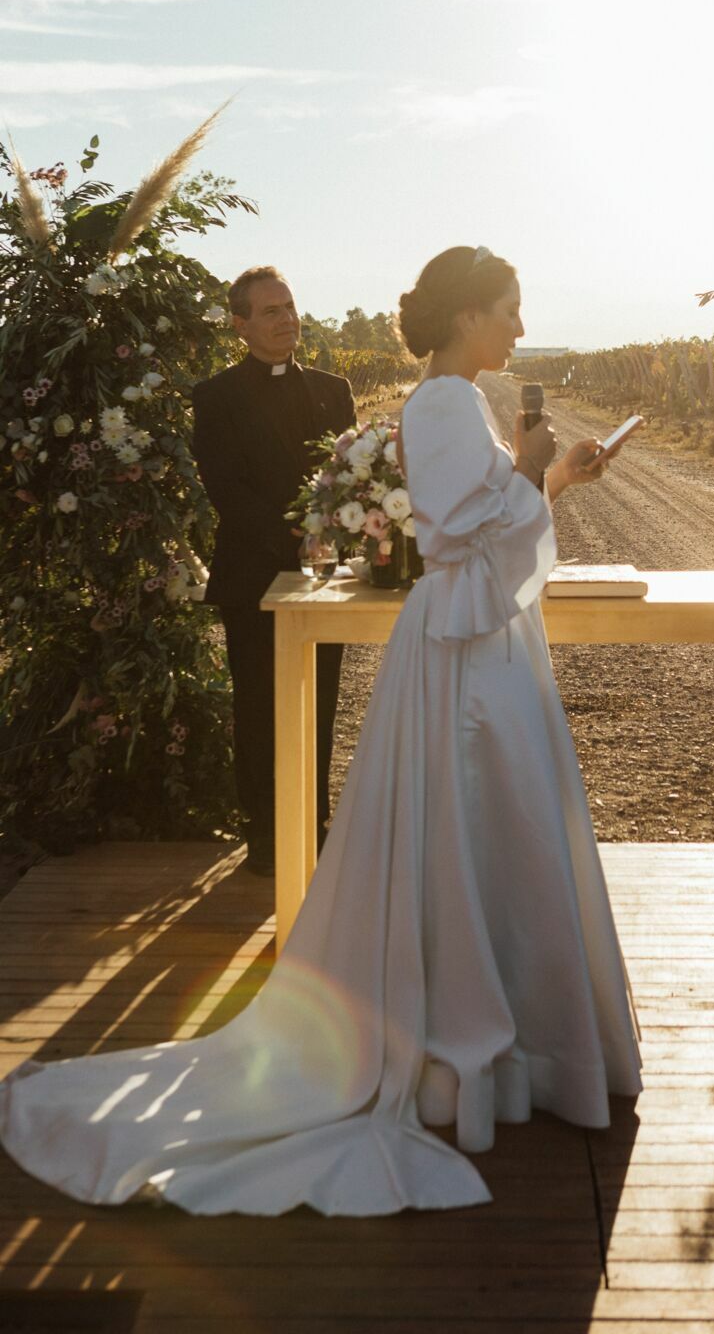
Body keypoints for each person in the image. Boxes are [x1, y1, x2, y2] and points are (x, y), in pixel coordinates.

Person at [0, 245, 641, 1215]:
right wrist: (526, 468)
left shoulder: (460, 399)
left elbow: (489, 522)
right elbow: (446, 527)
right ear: (467, 314)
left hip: (483, 638)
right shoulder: (437, 404)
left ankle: (512, 1049)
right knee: (475, 825)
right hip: (463, 653)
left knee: (501, 832)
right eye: (507, 309)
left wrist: (557, 483)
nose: (517, 326)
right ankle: (467, 1050)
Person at [191, 266, 355, 875]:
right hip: (252, 576)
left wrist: (327, 531)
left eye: (290, 307)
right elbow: (223, 485)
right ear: (241, 325)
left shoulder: (333, 389)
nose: (287, 319)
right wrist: (288, 531)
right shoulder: (215, 397)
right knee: (259, 707)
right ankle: (264, 840)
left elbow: (349, 474)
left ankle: (313, 829)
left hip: (324, 577)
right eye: (270, 312)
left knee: (320, 700)